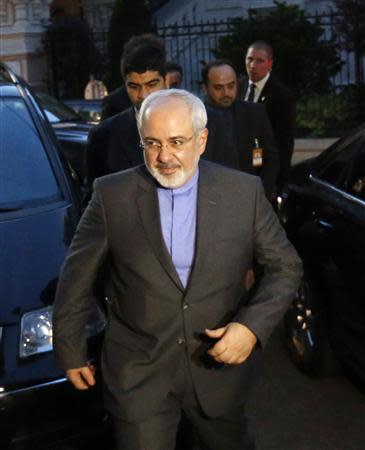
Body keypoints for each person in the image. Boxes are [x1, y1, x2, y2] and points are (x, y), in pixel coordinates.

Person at [53, 89, 302, 450]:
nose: (164, 156)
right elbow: (77, 275)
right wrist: (70, 348)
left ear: (201, 140)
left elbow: (285, 267)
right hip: (139, 373)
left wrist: (251, 327)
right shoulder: (112, 195)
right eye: (151, 143)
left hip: (218, 373)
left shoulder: (243, 193)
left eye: (177, 142)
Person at [86, 33, 168, 187]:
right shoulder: (103, 137)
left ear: (166, 80)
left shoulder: (200, 123)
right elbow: (94, 202)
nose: (143, 95)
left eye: (151, 84)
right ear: (125, 84)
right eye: (134, 86)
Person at [202, 59, 279, 200]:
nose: (226, 93)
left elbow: (270, 158)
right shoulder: (196, 119)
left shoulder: (255, 114)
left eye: (231, 86)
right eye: (218, 88)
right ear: (205, 88)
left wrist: (261, 194)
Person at [242, 41, 296, 190]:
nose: (253, 65)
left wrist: (276, 181)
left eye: (260, 61)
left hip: (265, 172)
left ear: (270, 63)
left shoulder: (281, 95)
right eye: (250, 59)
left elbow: (284, 143)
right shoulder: (238, 87)